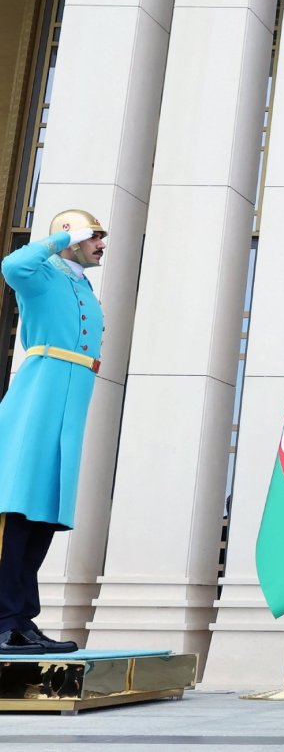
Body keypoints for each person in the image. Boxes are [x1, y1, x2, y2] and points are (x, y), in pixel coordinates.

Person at [0, 209, 107, 655]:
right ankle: (4, 621)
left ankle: (22, 620)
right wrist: (57, 241)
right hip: (38, 397)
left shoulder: (83, 284)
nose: (101, 243)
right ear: (72, 238)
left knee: (45, 515)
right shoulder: (42, 274)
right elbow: (11, 267)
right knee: (18, 510)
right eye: (94, 236)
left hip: (70, 403)